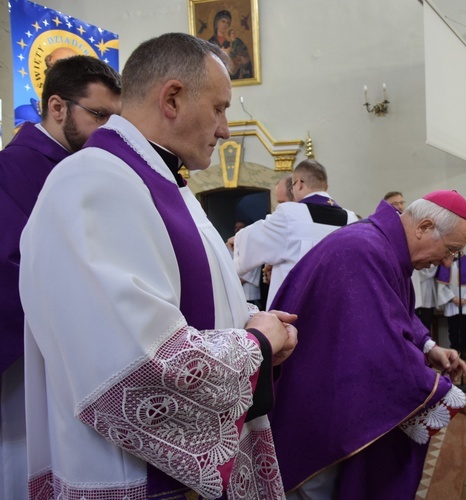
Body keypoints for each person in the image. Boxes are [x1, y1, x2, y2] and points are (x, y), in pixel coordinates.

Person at [19, 33, 297, 499]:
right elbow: (136, 367)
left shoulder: (168, 187)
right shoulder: (91, 182)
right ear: (172, 98)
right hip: (129, 474)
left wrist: (249, 321)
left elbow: (187, 304)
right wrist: (257, 343)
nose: (226, 128)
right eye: (219, 108)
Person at [270, 190, 466, 499]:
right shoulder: (364, 251)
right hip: (318, 411)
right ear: (425, 227)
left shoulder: (383, 247)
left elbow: (394, 315)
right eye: (449, 250)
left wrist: (429, 346)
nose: (445, 262)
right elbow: (380, 351)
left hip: (335, 398)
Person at [0, 55, 121, 500]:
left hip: (78, 357)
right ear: (56, 107)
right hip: (26, 362)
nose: (108, 130)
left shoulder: (82, 165)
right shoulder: (14, 168)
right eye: (100, 115)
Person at [233, 159, 357, 306]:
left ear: (298, 184)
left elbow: (252, 241)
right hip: (337, 306)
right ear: (326, 187)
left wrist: (235, 239)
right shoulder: (351, 219)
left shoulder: (290, 215)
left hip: (297, 312)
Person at [436, 252, 466, 361]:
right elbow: (442, 286)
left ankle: (465, 353)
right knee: (453, 329)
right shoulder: (445, 262)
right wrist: (452, 298)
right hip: (452, 303)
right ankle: (455, 352)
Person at [208, 10, 253, 80]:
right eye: (223, 21)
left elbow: (246, 61)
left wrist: (242, 60)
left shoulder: (236, 41)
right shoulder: (209, 43)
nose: (225, 25)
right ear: (216, 23)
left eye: (228, 23)